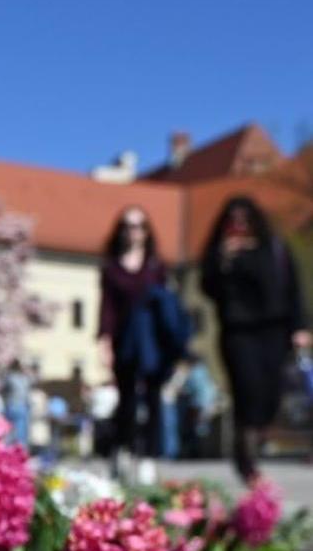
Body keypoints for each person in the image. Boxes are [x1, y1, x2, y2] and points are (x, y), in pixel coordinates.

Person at [200, 196, 311, 483]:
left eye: (244, 219)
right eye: (233, 220)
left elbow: (292, 290)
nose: (239, 225)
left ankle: (256, 441)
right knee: (247, 391)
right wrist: (222, 259)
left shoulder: (274, 248)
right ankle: (246, 460)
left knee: (271, 394)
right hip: (239, 333)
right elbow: (208, 290)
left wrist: (300, 327)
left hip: (274, 331)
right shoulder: (220, 253)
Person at [98, 206, 182, 485]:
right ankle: (123, 450)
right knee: (127, 401)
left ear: (147, 231)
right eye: (128, 225)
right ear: (121, 230)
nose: (134, 231)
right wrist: (104, 340)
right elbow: (107, 308)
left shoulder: (156, 266)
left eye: (139, 225)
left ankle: (148, 457)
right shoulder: (112, 268)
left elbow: (167, 306)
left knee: (154, 399)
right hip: (125, 344)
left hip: (153, 345)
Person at [0, 359, 34, 449]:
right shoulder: (25, 379)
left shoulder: (9, 377)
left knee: (8, 430)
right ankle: (20, 453)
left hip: (11, 406)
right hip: (22, 407)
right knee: (21, 433)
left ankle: (7, 450)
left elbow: (2, 389)